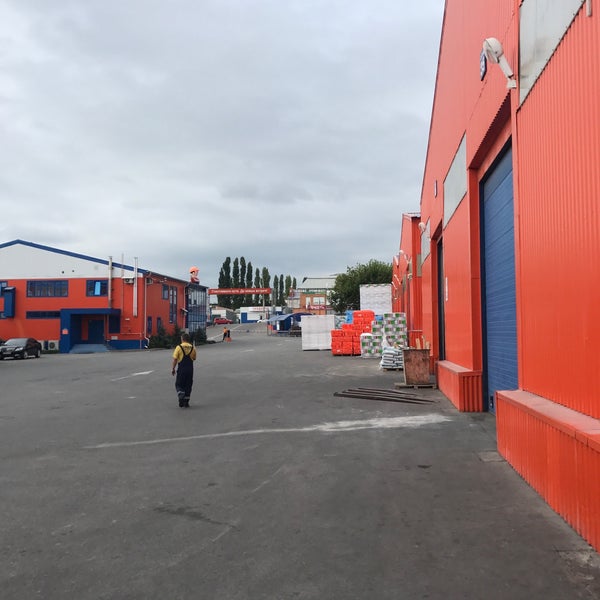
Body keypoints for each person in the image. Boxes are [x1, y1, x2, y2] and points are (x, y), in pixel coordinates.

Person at [171, 332, 197, 408]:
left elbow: (175, 359)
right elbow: (194, 358)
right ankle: (186, 402)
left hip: (182, 369)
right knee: (188, 385)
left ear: (182, 339)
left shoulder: (179, 347)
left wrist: (173, 368)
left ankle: (181, 395)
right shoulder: (192, 347)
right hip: (190, 369)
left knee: (179, 384)